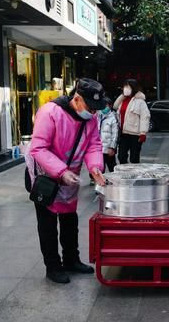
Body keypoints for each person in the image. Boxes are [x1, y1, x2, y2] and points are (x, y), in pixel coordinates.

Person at [28, 78, 107, 284]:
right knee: (47, 225)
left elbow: (94, 145)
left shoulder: (90, 118)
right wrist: (60, 171)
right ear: (77, 99)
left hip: (69, 176)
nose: (93, 113)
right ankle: (53, 267)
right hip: (46, 176)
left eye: (96, 109)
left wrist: (95, 167)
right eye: (90, 107)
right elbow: (38, 148)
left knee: (70, 220)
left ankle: (71, 260)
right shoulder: (50, 112)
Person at [113, 79, 150, 164]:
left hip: (135, 135)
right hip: (122, 133)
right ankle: (124, 174)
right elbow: (115, 107)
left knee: (134, 158)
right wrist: (122, 96)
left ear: (133, 87)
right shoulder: (122, 100)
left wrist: (143, 133)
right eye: (124, 86)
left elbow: (145, 117)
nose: (125, 88)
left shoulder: (140, 102)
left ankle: (135, 176)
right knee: (121, 156)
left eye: (127, 86)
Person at [98, 97, 118, 173]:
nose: (104, 107)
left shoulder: (113, 118)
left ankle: (114, 180)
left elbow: (115, 134)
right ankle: (97, 181)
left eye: (106, 105)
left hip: (108, 148)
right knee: (100, 167)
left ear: (110, 106)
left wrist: (112, 147)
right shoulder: (98, 116)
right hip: (98, 148)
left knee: (112, 167)